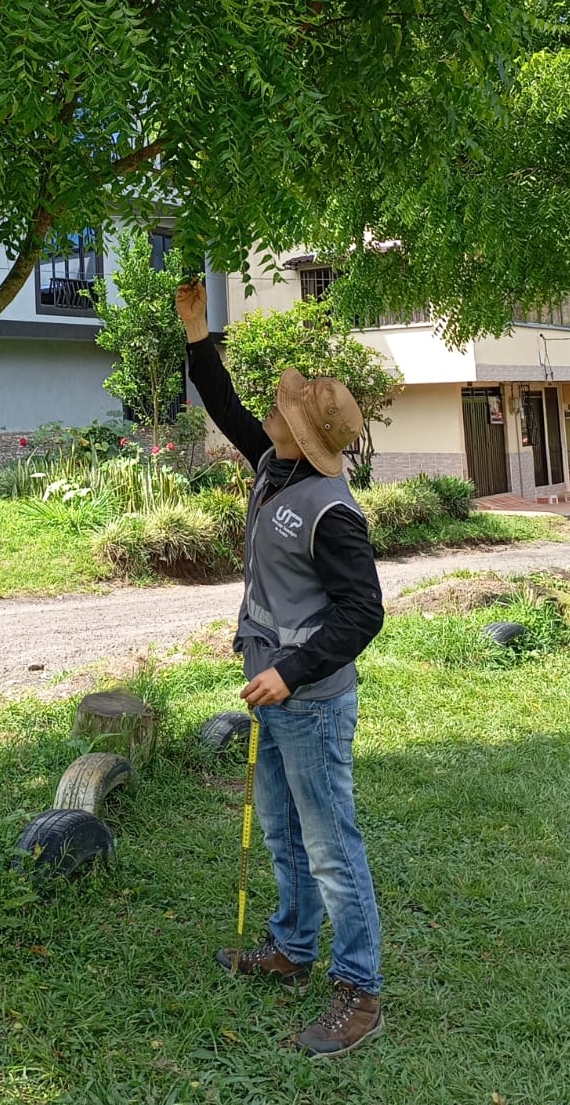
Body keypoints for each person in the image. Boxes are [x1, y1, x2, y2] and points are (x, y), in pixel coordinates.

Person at [175, 280, 386, 1059]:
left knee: (332, 843)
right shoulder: (276, 464)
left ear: (305, 433)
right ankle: (293, 950)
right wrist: (198, 333)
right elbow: (226, 404)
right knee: (281, 829)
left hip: (311, 700)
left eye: (284, 410)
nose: (270, 413)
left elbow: (365, 614)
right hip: (271, 687)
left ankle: (359, 992)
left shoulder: (333, 510)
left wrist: (293, 672)